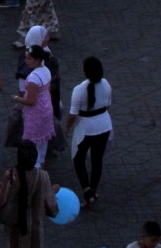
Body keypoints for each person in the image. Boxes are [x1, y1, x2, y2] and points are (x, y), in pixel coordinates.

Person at [0, 140, 57, 248]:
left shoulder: (11, 175)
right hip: (35, 231)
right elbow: (52, 208)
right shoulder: (43, 176)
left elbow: (0, 200)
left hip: (14, 230)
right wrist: (53, 191)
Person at [66, 56, 112, 208]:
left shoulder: (79, 90)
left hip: (86, 130)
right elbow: (108, 105)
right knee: (97, 160)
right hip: (104, 126)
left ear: (85, 71)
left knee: (78, 159)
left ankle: (87, 191)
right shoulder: (105, 84)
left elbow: (73, 114)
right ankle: (93, 190)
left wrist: (67, 129)